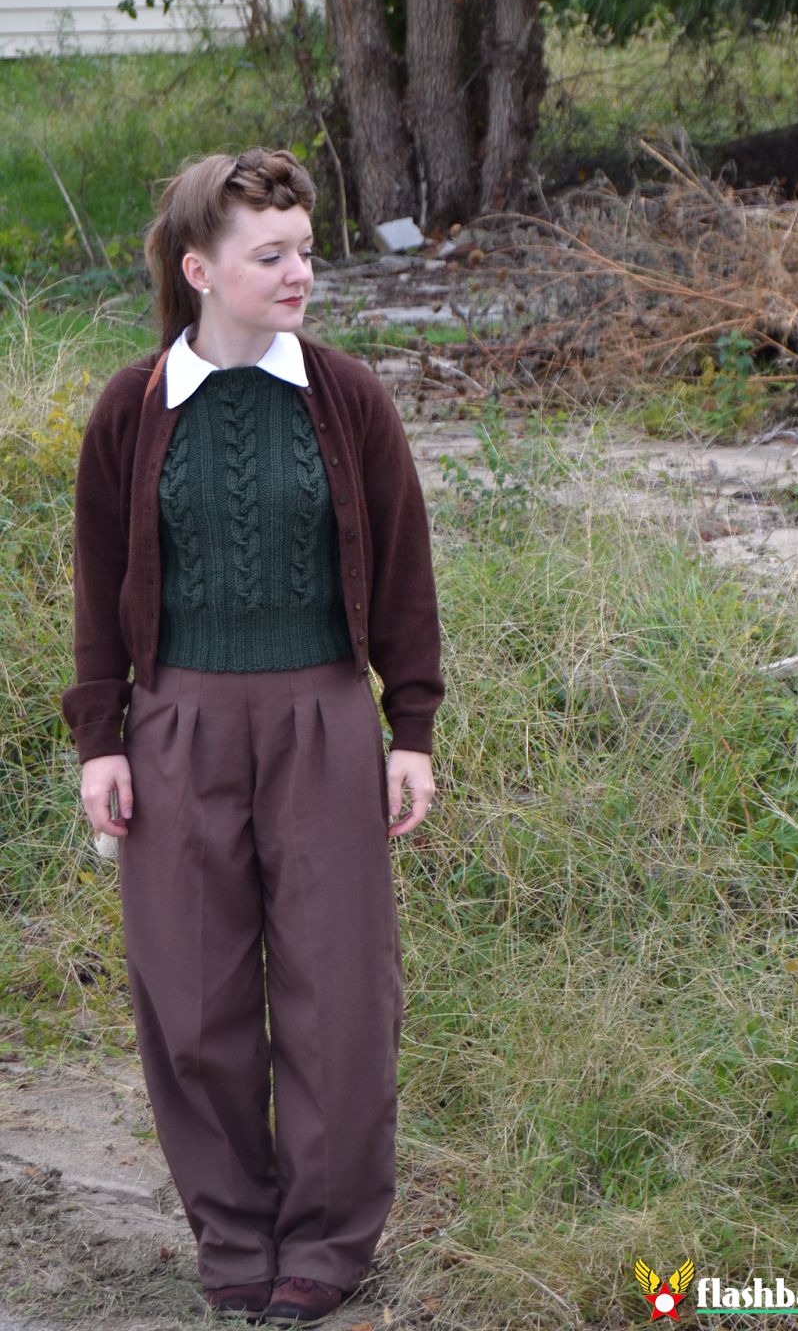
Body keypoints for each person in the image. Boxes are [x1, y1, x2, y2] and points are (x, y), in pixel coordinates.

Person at [61, 149, 443, 1326]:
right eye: (270, 254)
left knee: (340, 992)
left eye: (307, 249)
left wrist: (409, 724)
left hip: (324, 718)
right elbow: (98, 582)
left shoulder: (346, 399)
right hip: (176, 724)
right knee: (193, 991)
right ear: (200, 269)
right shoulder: (133, 407)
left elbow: (405, 571)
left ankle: (325, 1240)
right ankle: (232, 1233)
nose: (299, 273)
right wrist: (101, 737)